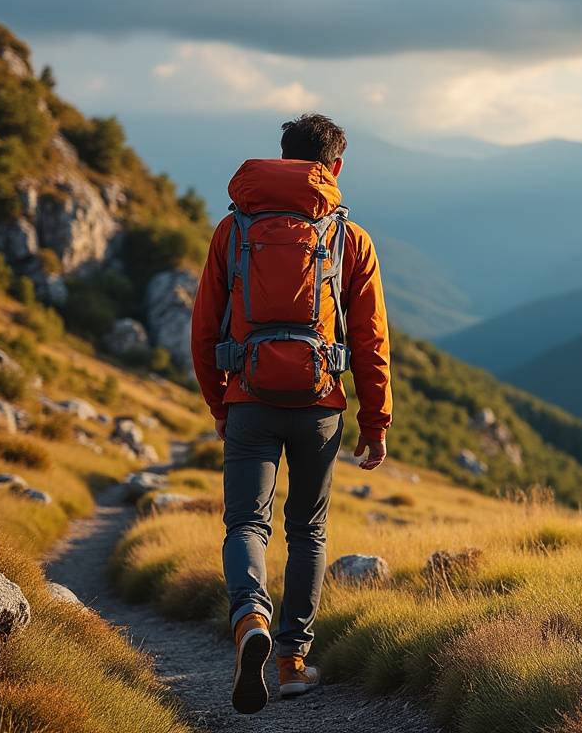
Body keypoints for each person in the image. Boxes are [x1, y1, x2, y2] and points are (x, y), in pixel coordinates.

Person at [190, 113, 392, 715]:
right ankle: (292, 662)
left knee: (245, 525)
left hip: (249, 398)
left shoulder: (234, 231)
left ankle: (250, 618)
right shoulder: (349, 239)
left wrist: (218, 401)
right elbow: (370, 340)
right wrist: (375, 423)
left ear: (282, 158)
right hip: (320, 405)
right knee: (308, 531)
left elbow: (204, 329)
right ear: (333, 168)